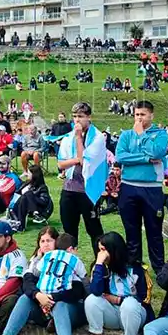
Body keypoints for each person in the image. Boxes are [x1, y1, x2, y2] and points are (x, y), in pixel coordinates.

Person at [0, 231, 85, 335]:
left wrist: (51, 298)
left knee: (60, 305)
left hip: (66, 310)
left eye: (49, 241)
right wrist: (38, 296)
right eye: (42, 241)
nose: (46, 245)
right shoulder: (39, 263)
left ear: (57, 243)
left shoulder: (70, 262)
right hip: (43, 309)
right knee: (25, 298)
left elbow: (77, 291)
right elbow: (27, 284)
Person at [115, 100, 168, 273]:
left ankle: (159, 269)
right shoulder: (126, 135)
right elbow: (121, 157)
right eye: (136, 114)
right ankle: (134, 266)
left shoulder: (160, 134)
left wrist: (142, 135)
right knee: (132, 230)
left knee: (154, 231)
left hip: (151, 189)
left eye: (143, 114)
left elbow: (156, 152)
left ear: (151, 115)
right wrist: (145, 159)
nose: (139, 118)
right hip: (128, 187)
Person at [85, 232, 149, 335]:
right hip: (113, 314)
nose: (101, 254)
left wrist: (119, 300)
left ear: (114, 249)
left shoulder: (136, 268)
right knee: (91, 300)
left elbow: (144, 298)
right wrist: (98, 264)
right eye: (99, 250)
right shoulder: (101, 266)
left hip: (135, 314)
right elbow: (96, 291)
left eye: (103, 250)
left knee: (129, 303)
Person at [57, 102, 108, 254]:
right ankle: (70, 265)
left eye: (80, 116)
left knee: (94, 230)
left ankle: (100, 264)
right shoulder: (68, 137)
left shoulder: (98, 137)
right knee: (69, 231)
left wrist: (79, 138)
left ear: (89, 117)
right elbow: (60, 164)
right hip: (69, 189)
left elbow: (84, 159)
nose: (77, 121)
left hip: (88, 190)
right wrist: (74, 160)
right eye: (74, 117)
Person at [8, 164, 53, 232]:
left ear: (34, 174)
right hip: (20, 204)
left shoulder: (42, 187)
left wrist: (31, 197)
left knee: (28, 194)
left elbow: (44, 202)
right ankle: (23, 223)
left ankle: (35, 214)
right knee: (24, 197)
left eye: (29, 173)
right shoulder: (26, 183)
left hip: (39, 208)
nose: (27, 174)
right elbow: (17, 192)